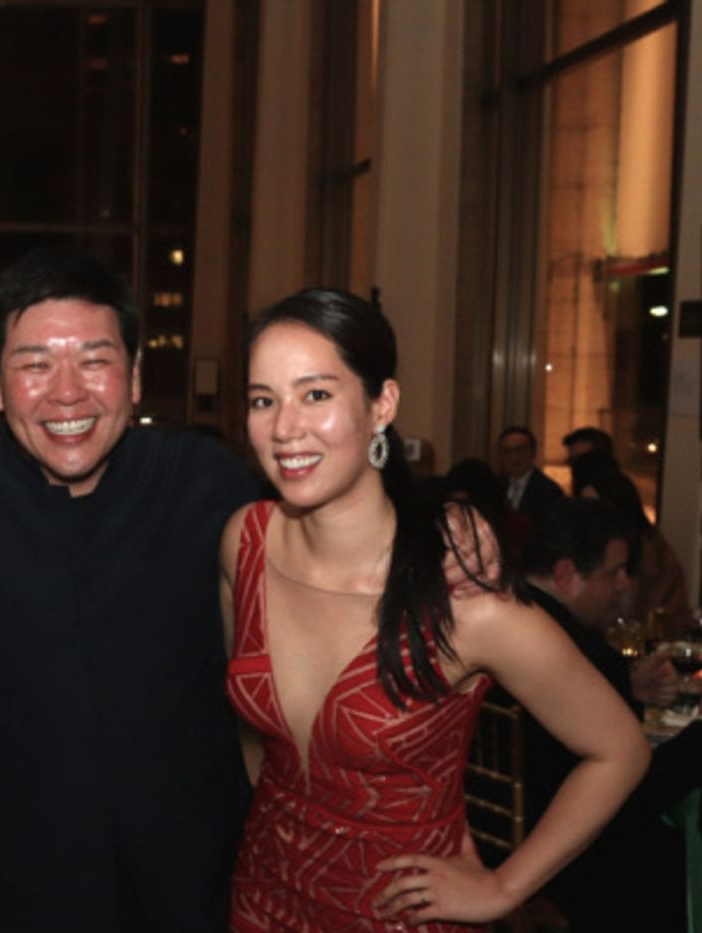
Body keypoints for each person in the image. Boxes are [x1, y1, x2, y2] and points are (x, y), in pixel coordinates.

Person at [223, 288, 647, 929]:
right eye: (264, 400)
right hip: (260, 895)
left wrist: (505, 888)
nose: (285, 428)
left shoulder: (464, 597)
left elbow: (619, 749)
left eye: (316, 394)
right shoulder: (244, 543)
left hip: (397, 913)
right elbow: (259, 736)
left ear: (381, 405)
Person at [0, 247, 265, 931]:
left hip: (191, 892)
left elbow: (331, 527)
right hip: (13, 896)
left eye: (94, 359)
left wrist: (436, 523)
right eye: (34, 364)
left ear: (136, 376)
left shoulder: (205, 482)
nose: (67, 392)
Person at [517, 496, 699, 932]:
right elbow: (632, 789)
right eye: (613, 572)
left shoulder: (510, 617)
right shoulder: (580, 655)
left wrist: (628, 691)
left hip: (511, 836)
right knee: (673, 852)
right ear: (565, 575)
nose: (624, 585)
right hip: (571, 861)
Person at [569, 448, 692, 637]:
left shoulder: (652, 555)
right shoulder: (576, 549)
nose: (589, 517)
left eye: (596, 508)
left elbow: (667, 621)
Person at [496, 424, 563, 552]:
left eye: (520, 450)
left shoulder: (549, 490)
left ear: (533, 452)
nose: (514, 457)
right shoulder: (494, 486)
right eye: (507, 451)